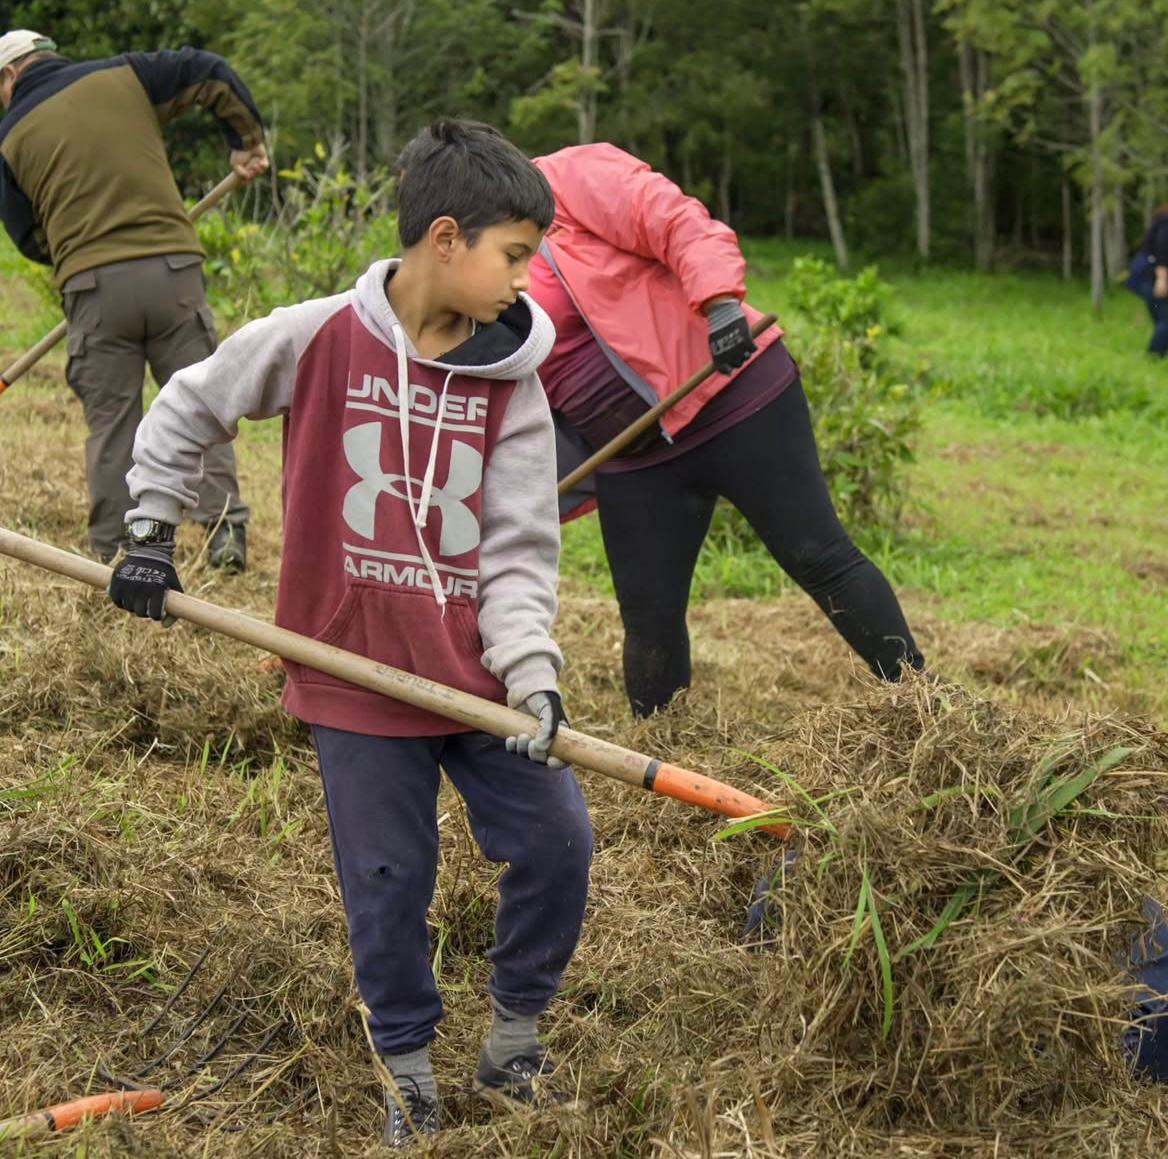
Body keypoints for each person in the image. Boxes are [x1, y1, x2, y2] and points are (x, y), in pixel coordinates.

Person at [107, 118, 593, 1147]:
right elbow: (194, 402)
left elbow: (516, 549)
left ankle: (514, 1038)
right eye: (515, 256)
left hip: (474, 679)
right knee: (385, 881)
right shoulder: (318, 334)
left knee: (558, 839)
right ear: (447, 239)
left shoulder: (515, 387)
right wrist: (151, 527)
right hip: (353, 676)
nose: (525, 283)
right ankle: (408, 1068)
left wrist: (533, 677)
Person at [523, 142, 925, 718]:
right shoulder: (479, 260)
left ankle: (929, 709)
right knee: (648, 615)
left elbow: (668, 216)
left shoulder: (565, 181)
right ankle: (665, 770)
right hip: (635, 451)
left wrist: (719, 303)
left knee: (817, 555)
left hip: (732, 391)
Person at [0, 29, 269, 567]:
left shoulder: (7, 139)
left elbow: (29, 239)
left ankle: (116, 553)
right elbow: (208, 69)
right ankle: (225, 535)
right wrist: (246, 140)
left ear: (9, 76)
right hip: (174, 275)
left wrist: (82, 251)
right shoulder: (127, 74)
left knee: (112, 425)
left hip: (94, 290)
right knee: (202, 405)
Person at [1125, 205, 1168, 357]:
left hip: (1152, 278)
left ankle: (1158, 355)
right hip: (1151, 279)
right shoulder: (1166, 223)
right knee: (1166, 320)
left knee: (1162, 320)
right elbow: (1162, 250)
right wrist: (1162, 280)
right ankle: (1153, 357)